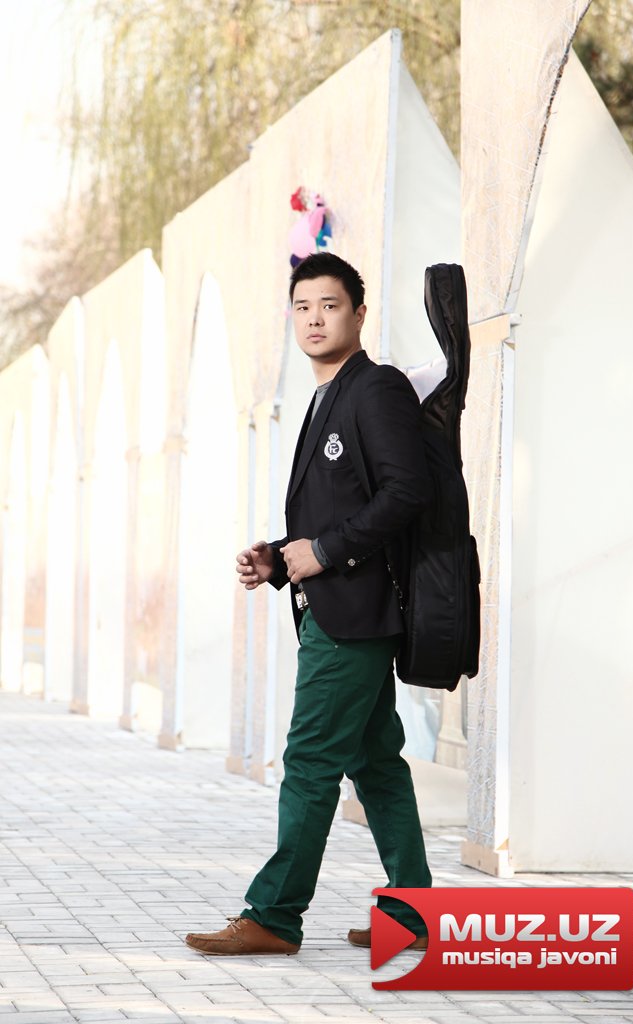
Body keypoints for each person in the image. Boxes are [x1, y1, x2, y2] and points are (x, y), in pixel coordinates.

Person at [185, 252, 432, 956]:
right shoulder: (327, 395)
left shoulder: (374, 387)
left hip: (353, 616)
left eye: (329, 305)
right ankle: (417, 916)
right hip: (334, 608)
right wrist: (278, 557)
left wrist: (324, 552)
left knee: (311, 761)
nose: (315, 319)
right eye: (302, 307)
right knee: (375, 763)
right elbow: (343, 504)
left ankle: (274, 914)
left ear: (358, 313)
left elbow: (406, 492)